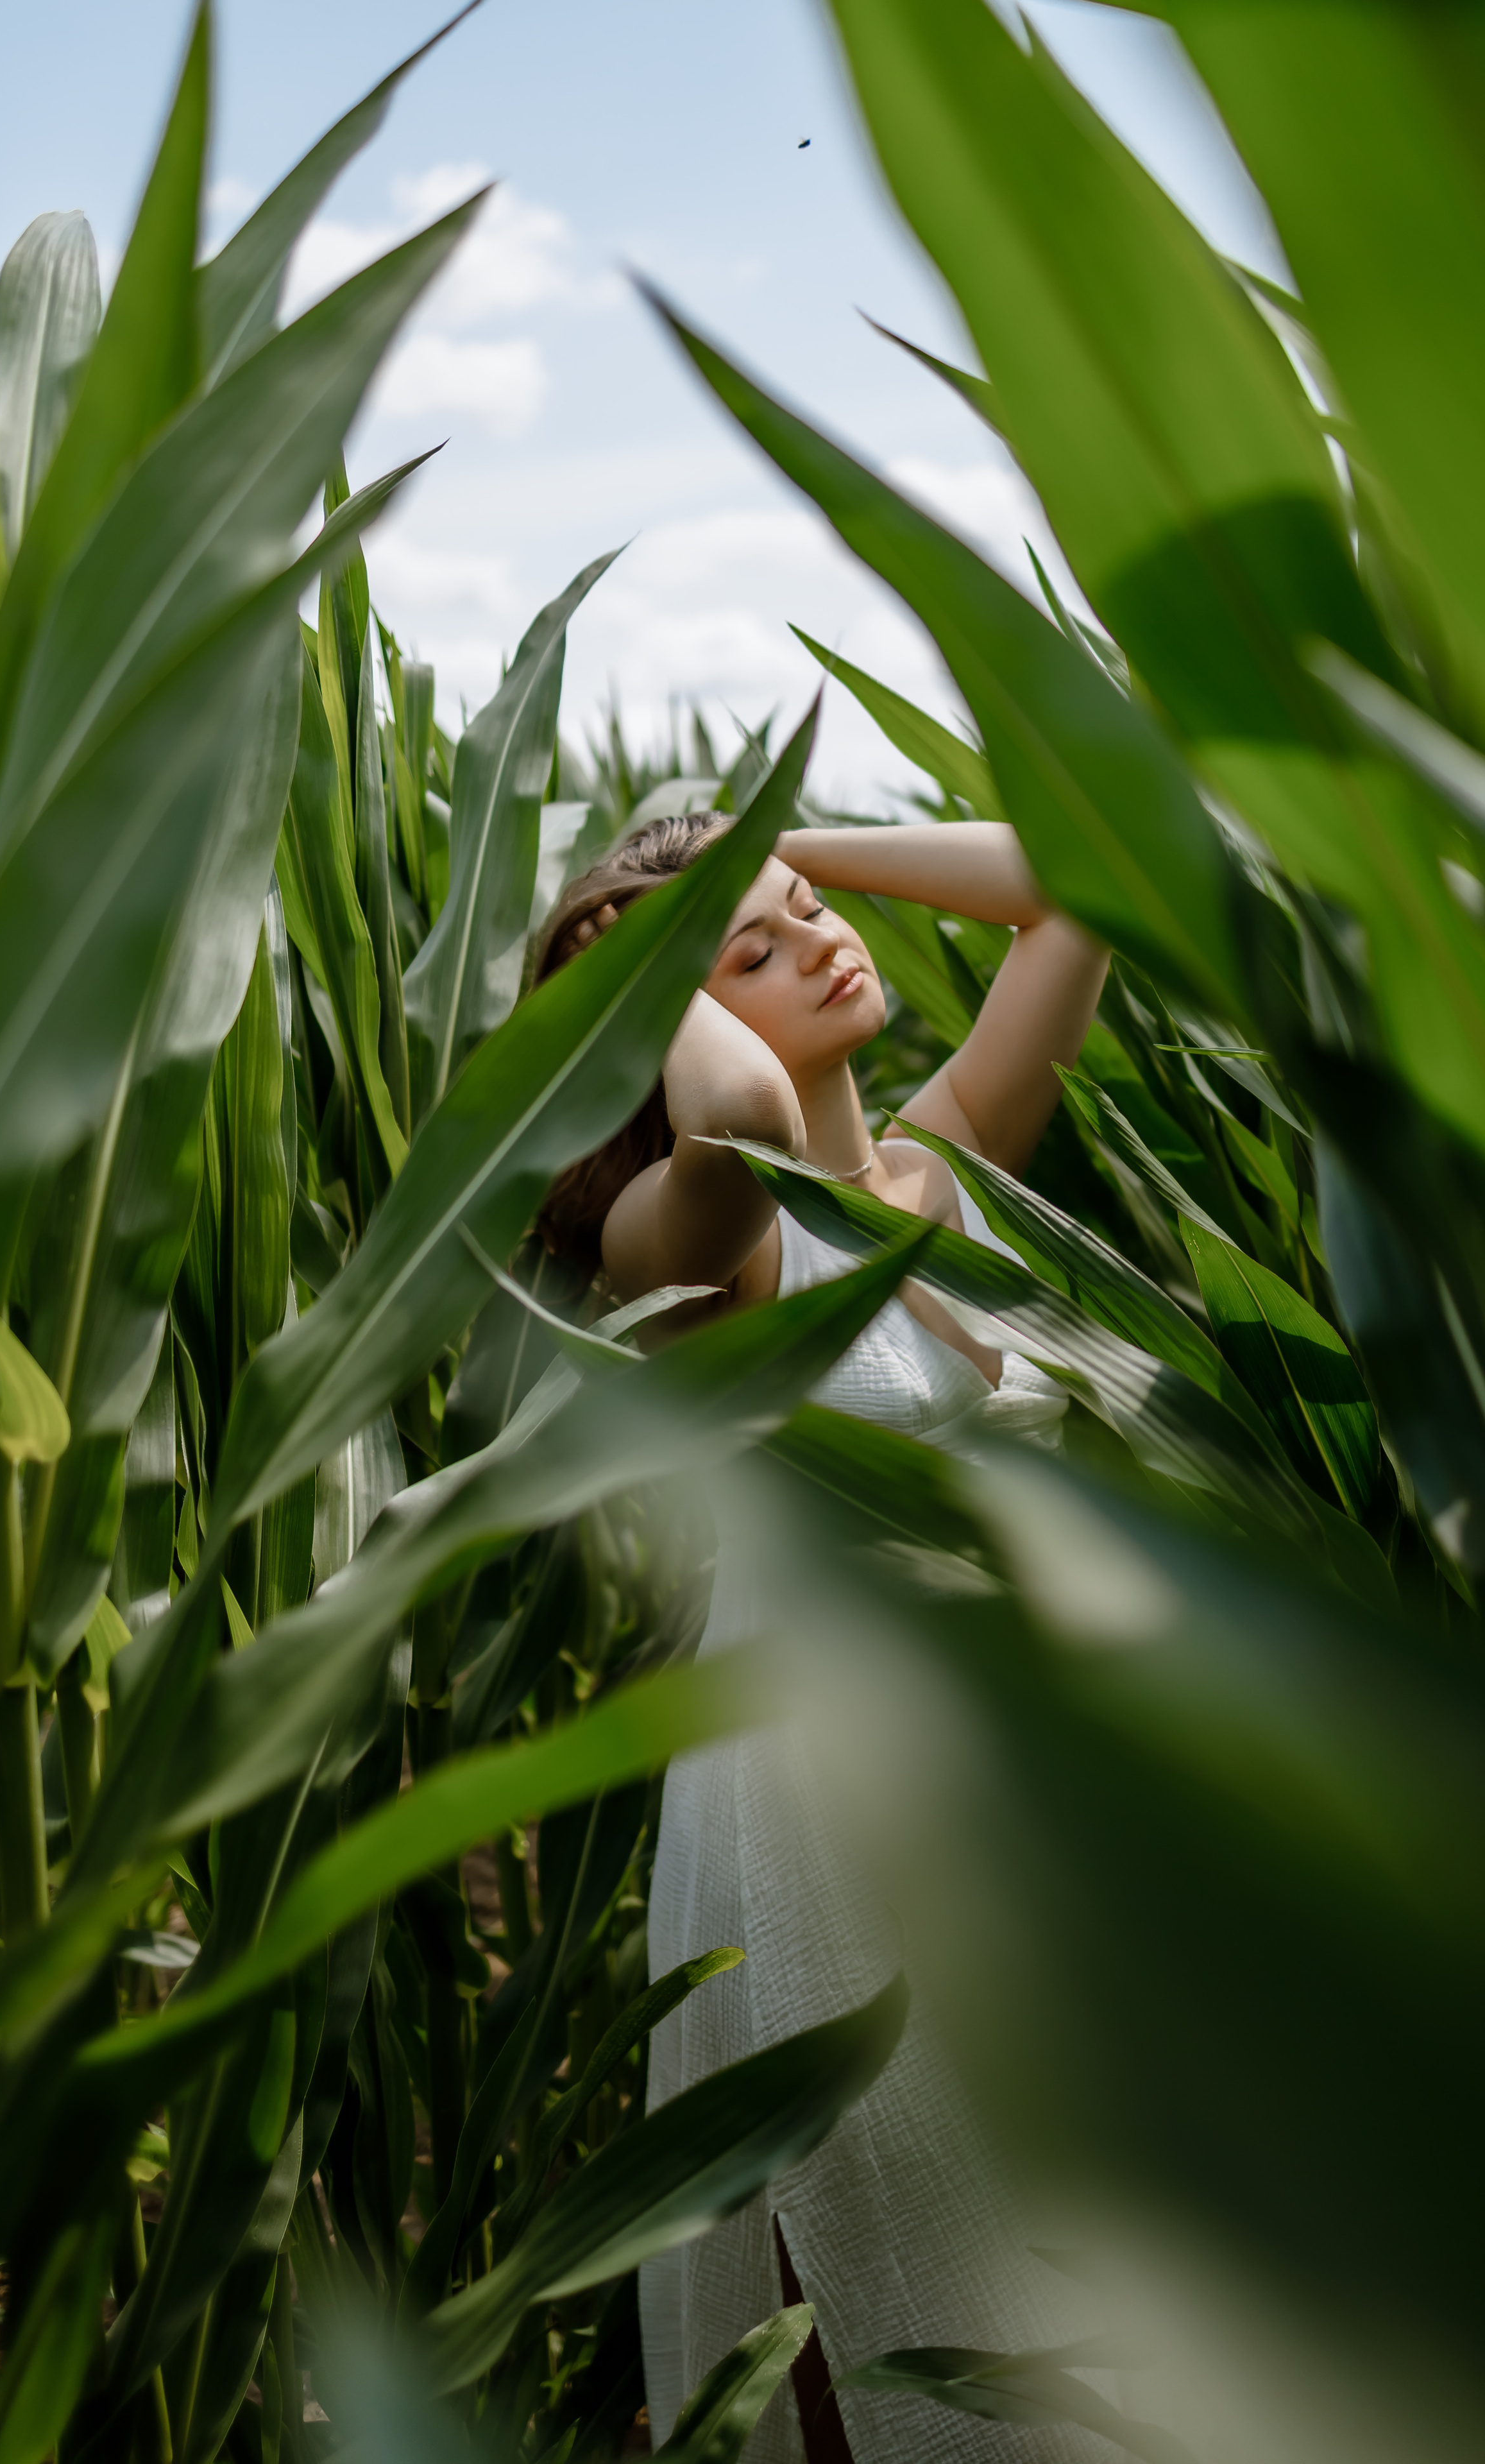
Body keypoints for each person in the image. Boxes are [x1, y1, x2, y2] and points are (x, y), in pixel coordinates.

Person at [536, 811, 1110, 2461]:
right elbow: (741, 1120)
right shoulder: (695, 1241)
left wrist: (778, 837)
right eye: (750, 952)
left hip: (1034, 1772)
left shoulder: (947, 1164)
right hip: (829, 1818)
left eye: (809, 915)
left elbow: (1078, 877)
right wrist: (653, 962)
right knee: (886, 2274)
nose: (816, 942)